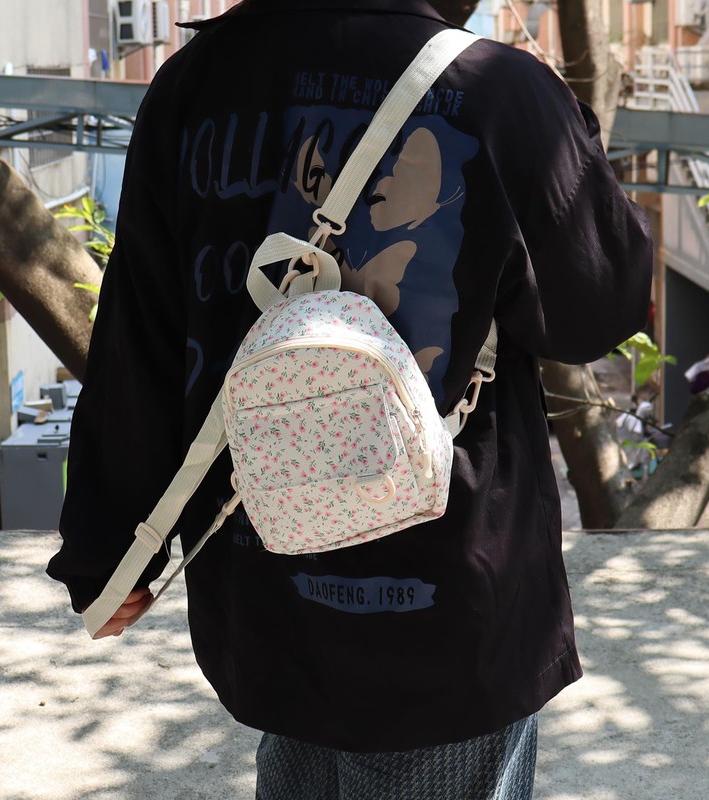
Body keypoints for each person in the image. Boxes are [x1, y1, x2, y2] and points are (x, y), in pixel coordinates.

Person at [47, 1, 653, 797]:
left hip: (264, 585)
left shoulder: (195, 83)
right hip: (448, 605)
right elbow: (597, 312)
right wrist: (567, 135)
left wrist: (106, 549)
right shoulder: (501, 91)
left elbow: (141, 338)